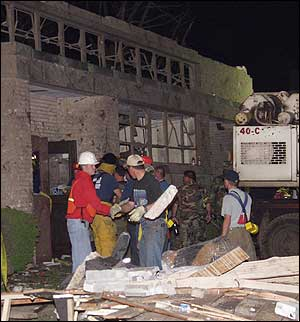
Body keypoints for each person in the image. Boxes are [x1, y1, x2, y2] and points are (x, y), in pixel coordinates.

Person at [66, 151, 111, 272]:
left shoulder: (80, 179)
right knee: (83, 259)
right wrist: (111, 210)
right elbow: (95, 204)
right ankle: (79, 286)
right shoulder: (85, 181)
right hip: (78, 221)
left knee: (80, 257)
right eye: (92, 165)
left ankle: (78, 284)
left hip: (76, 221)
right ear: (85, 166)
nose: (95, 168)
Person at [124, 154, 166, 270]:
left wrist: (144, 209)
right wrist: (119, 208)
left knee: (152, 264)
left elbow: (161, 202)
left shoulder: (151, 181)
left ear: (131, 168)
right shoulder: (136, 183)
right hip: (143, 225)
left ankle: (157, 287)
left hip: (155, 224)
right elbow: (131, 204)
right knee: (144, 264)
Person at [220, 170, 256, 260]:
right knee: (249, 259)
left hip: (233, 233)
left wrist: (223, 237)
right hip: (245, 232)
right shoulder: (247, 196)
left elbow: (227, 219)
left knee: (232, 260)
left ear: (226, 182)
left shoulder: (228, 198)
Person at [91, 153, 122, 257]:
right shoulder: (109, 177)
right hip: (104, 212)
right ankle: (107, 268)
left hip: (93, 212)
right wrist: (119, 206)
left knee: (98, 241)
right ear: (112, 166)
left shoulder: (94, 176)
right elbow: (119, 195)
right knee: (108, 242)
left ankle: (99, 268)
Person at [171, 170, 208, 249]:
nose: (183, 179)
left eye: (184, 177)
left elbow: (175, 204)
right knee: (198, 242)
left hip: (185, 220)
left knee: (185, 242)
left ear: (189, 178)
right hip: (199, 219)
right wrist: (208, 214)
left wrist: (173, 216)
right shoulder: (201, 189)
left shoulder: (180, 189)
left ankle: (186, 259)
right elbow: (207, 202)